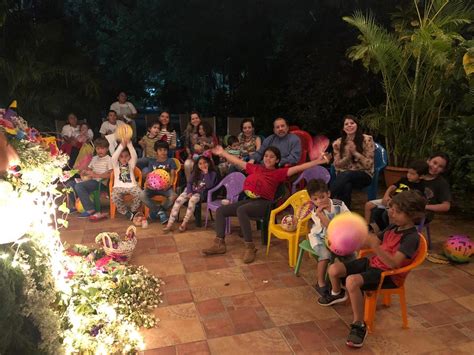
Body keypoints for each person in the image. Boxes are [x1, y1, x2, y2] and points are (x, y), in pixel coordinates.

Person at [318, 190, 426, 348]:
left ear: (411, 215)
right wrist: (347, 241)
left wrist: (375, 246)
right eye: (391, 209)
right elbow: (370, 242)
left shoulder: (411, 238)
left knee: (352, 281)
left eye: (396, 211)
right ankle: (338, 293)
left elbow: (394, 264)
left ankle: (359, 324)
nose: (391, 213)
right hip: (374, 264)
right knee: (334, 269)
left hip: (388, 276)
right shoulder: (393, 227)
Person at [201, 145, 331, 264]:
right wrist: (223, 152)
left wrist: (319, 161)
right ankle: (219, 243)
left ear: (277, 160)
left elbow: (299, 167)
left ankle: (250, 247)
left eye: (272, 157)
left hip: (264, 204)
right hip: (250, 201)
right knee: (221, 211)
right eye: (266, 156)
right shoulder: (256, 168)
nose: (268, 158)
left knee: (241, 210)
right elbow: (237, 162)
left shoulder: (279, 173)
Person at [306, 179, 350, 296]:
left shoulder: (339, 204)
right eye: (315, 199)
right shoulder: (315, 211)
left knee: (350, 254)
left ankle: (344, 278)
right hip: (319, 237)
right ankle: (320, 282)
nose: (319, 201)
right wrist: (320, 214)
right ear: (311, 200)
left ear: (328, 194)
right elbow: (329, 226)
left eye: (322, 197)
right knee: (325, 256)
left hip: (338, 237)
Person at [163, 156, 217, 233]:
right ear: (197, 165)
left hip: (200, 193)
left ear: (208, 163)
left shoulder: (212, 173)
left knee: (192, 201)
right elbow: (189, 182)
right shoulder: (196, 172)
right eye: (200, 164)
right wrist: (189, 192)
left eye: (205, 163)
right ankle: (169, 224)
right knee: (178, 201)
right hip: (189, 191)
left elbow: (209, 185)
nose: (203, 165)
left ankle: (184, 223)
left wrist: (206, 173)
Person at [365, 160, 428, 225]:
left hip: (400, 205)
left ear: (421, 176)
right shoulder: (404, 179)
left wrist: (393, 203)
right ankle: (367, 227)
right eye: (408, 172)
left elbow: (412, 202)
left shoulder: (421, 187)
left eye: (412, 174)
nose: (408, 175)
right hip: (391, 200)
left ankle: (391, 231)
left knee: (387, 213)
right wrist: (386, 196)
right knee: (368, 205)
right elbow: (392, 187)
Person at [330, 115, 374, 208]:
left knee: (347, 175)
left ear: (357, 125)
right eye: (346, 124)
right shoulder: (338, 143)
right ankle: (345, 213)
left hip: (363, 175)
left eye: (352, 123)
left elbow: (369, 164)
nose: (349, 125)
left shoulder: (367, 139)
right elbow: (337, 165)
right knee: (346, 185)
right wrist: (348, 156)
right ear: (343, 128)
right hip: (344, 177)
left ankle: (326, 198)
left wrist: (355, 153)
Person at [74, 137, 113, 219]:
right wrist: (84, 171)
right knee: (70, 184)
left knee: (79, 186)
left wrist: (96, 175)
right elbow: (89, 169)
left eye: (102, 148)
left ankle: (90, 209)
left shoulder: (109, 159)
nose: (100, 151)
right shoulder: (94, 158)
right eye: (98, 148)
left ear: (107, 149)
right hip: (91, 180)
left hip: (101, 183)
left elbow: (110, 174)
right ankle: (76, 205)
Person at [139, 141, 177, 224]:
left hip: (166, 188)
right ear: (156, 151)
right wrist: (148, 184)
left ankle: (156, 212)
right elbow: (149, 176)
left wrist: (169, 184)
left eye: (165, 150)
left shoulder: (170, 161)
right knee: (142, 195)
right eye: (160, 150)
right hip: (153, 188)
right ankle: (160, 211)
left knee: (173, 196)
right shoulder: (152, 162)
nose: (163, 152)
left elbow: (173, 174)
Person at [110, 140, 142, 221]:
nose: (124, 158)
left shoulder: (131, 164)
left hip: (132, 186)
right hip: (118, 187)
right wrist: (121, 145)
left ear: (129, 157)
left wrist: (129, 144)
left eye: (126, 156)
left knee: (140, 194)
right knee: (114, 196)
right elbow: (114, 157)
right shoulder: (116, 165)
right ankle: (125, 212)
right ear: (118, 157)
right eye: (121, 156)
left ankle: (133, 211)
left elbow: (134, 156)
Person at [183, 111, 202, 182]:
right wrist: (189, 154)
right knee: (187, 164)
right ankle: (189, 185)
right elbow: (187, 145)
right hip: (192, 156)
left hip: (204, 156)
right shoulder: (188, 132)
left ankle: (200, 185)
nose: (195, 120)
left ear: (200, 119)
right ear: (190, 121)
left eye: (196, 118)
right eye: (193, 119)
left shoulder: (205, 129)